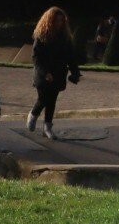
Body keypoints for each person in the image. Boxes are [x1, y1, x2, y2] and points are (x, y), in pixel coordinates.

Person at [27, 7, 80, 138]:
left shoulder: (65, 37)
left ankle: (47, 127)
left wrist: (75, 72)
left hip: (58, 72)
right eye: (56, 20)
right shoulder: (41, 35)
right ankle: (33, 114)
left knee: (52, 100)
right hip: (42, 72)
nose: (59, 23)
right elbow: (36, 57)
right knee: (43, 98)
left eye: (61, 21)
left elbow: (70, 56)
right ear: (49, 20)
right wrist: (45, 73)